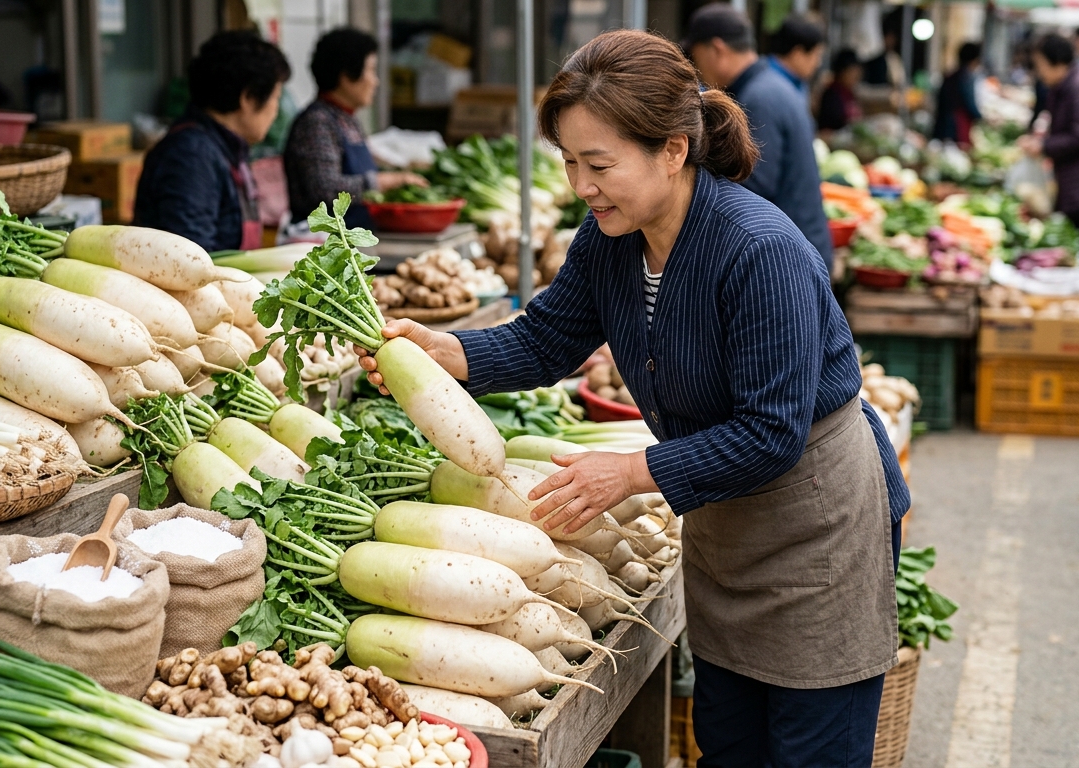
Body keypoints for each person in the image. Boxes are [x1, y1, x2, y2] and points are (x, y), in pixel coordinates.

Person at [357, 30, 906, 767]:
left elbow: (771, 433)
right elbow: (546, 341)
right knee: (729, 742)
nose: (581, 185)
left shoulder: (758, 250)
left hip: (815, 524)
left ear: (673, 150)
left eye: (599, 164)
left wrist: (628, 473)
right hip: (725, 525)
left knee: (812, 750)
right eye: (569, 162)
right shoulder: (612, 238)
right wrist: (445, 352)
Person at [684, 5, 834, 274]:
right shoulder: (770, 85)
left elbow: (753, 184)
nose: (697, 69)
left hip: (789, 260)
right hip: (800, 247)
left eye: (696, 57)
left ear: (716, 49)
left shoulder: (758, 99)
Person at [134, 32, 289, 251]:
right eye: (275, 98)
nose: (276, 110)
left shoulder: (226, 149)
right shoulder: (191, 156)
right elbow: (191, 255)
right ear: (248, 98)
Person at [283, 27, 426, 231]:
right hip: (329, 242)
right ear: (346, 77)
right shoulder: (317, 123)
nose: (375, 81)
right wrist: (385, 182)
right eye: (371, 70)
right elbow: (323, 189)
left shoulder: (347, 119)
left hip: (357, 235)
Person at [1019, 33, 1079, 256]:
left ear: (1057, 62)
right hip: (1076, 182)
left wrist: (1044, 146)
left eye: (1040, 65)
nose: (1038, 71)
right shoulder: (1063, 87)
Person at [932, 42, 984, 147]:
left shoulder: (949, 77)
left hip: (942, 125)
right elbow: (969, 103)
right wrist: (982, 118)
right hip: (957, 127)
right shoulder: (966, 78)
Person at [766, 15, 826, 98]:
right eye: (817, 55)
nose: (818, 63)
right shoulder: (770, 89)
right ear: (798, 54)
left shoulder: (797, 81)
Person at [818, 49, 863, 132]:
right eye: (851, 73)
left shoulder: (849, 93)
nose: (856, 78)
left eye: (857, 75)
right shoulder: (831, 96)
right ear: (841, 72)